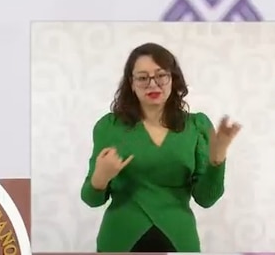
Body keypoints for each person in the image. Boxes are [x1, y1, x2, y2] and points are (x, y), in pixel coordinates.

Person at [80, 42, 242, 252]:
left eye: (161, 75)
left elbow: (206, 199)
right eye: (142, 77)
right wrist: (101, 177)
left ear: (172, 79)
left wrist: (217, 160)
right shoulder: (109, 127)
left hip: (179, 240)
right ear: (131, 83)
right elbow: (91, 199)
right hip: (118, 240)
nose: (152, 84)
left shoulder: (196, 126)